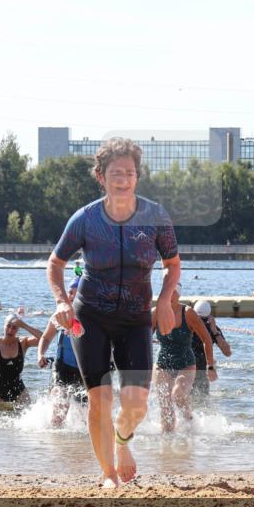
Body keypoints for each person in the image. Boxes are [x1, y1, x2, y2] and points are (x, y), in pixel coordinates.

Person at [47, 137, 181, 488]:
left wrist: (165, 300)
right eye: (116, 173)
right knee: (100, 398)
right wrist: (62, 301)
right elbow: (56, 262)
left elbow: (172, 264)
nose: (123, 180)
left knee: (137, 405)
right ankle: (108, 474)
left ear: (138, 176)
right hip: (90, 316)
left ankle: (122, 443)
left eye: (130, 173)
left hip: (135, 319)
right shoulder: (86, 219)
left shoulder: (155, 217)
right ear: (101, 176)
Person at [151, 283, 216, 433]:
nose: (169, 295)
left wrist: (210, 366)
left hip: (185, 363)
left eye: (172, 292)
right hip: (162, 362)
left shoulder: (188, 313)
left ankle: (191, 422)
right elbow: (144, 338)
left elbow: (207, 339)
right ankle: (167, 440)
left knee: (178, 395)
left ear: (179, 294)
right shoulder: (156, 313)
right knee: (165, 404)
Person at [37, 278, 87, 427]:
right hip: (63, 368)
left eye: (76, 293)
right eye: (70, 292)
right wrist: (40, 354)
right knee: (60, 402)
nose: (72, 296)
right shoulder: (58, 316)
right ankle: (55, 437)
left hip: (84, 370)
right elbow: (45, 338)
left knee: (86, 417)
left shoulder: (92, 319)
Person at [190, 299, 231, 398]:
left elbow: (227, 352)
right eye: (199, 319)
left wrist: (215, 331)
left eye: (204, 320)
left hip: (201, 369)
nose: (202, 323)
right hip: (188, 367)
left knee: (201, 399)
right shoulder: (187, 326)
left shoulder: (212, 329)